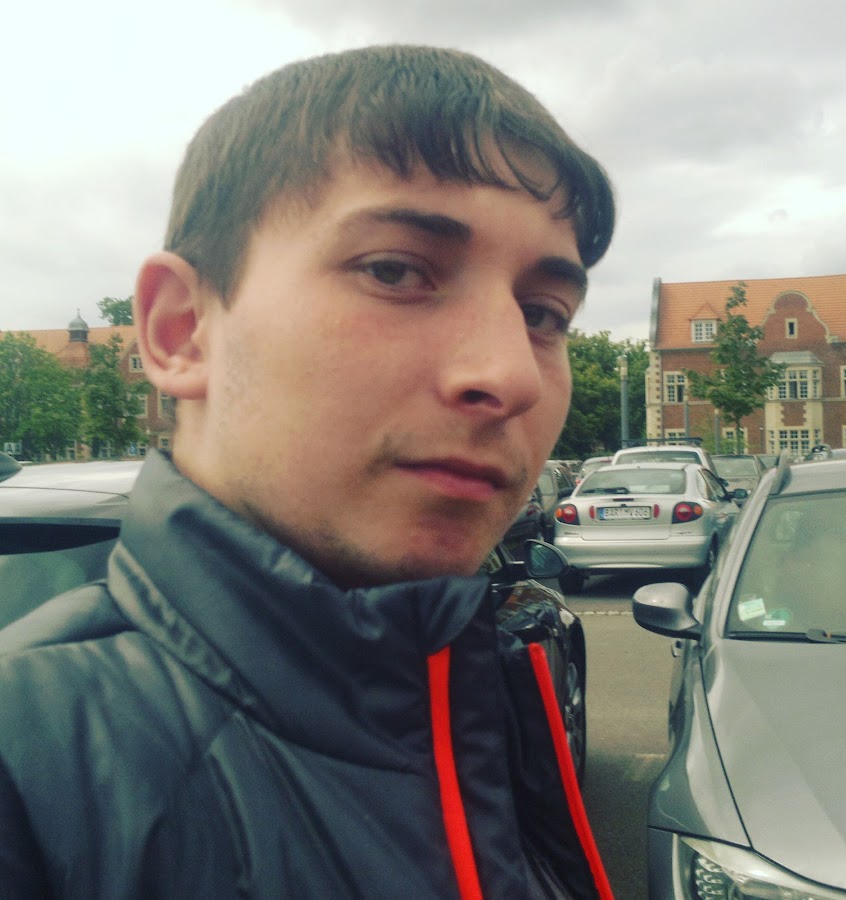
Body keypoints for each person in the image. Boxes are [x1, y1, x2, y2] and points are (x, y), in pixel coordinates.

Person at [0, 45, 615, 898]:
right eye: (395, 271)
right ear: (181, 331)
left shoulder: (479, 699)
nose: (510, 375)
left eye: (543, 314)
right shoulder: (24, 773)